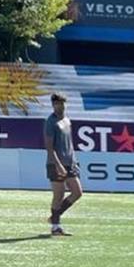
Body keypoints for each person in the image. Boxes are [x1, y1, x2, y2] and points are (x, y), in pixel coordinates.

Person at [44, 92, 83, 237]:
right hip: (56, 163)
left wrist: (74, 159)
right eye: (57, 103)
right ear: (53, 105)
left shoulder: (67, 120)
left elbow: (69, 143)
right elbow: (49, 146)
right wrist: (58, 164)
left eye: (62, 103)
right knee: (58, 195)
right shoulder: (51, 122)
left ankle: (54, 217)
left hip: (70, 162)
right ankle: (55, 226)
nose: (60, 106)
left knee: (77, 192)